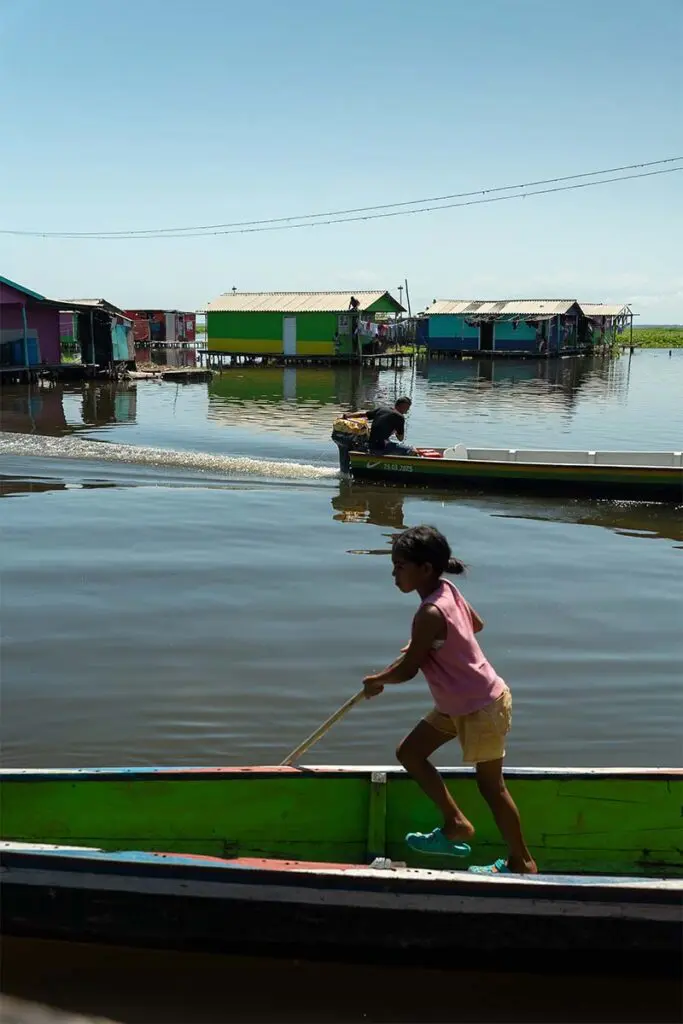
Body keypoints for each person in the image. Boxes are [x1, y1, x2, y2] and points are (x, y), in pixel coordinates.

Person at [362, 525, 537, 875]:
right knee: (410, 753)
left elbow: (408, 671)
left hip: (481, 705)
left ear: (425, 568)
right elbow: (476, 625)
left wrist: (377, 680)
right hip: (457, 702)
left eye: (400, 566)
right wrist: (430, 644)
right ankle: (455, 822)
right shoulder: (448, 590)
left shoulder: (429, 613)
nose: (394, 574)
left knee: (492, 787)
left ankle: (523, 863)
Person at [344, 397, 416, 456]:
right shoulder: (399, 417)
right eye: (407, 408)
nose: (407, 411)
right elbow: (400, 438)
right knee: (412, 450)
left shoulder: (382, 409)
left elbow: (362, 414)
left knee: (388, 441)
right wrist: (395, 430)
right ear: (403, 406)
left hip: (371, 444)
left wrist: (346, 416)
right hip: (381, 447)